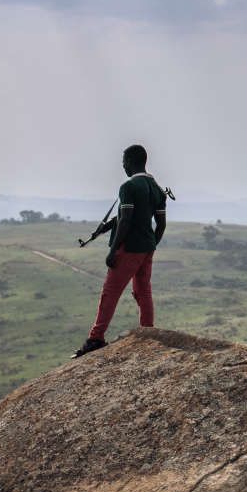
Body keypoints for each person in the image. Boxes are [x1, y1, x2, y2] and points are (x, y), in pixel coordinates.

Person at [73, 145, 167, 357]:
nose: (123, 166)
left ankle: (96, 338)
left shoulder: (128, 186)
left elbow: (126, 219)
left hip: (129, 248)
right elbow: (159, 224)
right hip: (146, 249)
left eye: (124, 161)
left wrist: (113, 249)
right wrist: (151, 244)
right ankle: (148, 330)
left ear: (132, 161)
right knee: (143, 291)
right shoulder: (157, 189)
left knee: (110, 292)